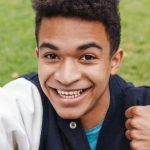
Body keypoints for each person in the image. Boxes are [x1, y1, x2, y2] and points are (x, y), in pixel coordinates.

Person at [0, 0, 150, 150]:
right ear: (38, 56)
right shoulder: (19, 107)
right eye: (52, 56)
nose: (66, 78)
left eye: (87, 57)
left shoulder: (144, 108)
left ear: (114, 61)